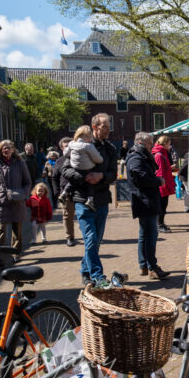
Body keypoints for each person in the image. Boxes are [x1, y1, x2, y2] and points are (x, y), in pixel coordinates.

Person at [61, 113, 118, 287]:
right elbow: (64, 170)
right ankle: (98, 276)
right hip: (82, 199)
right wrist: (84, 177)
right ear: (95, 127)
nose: (108, 130)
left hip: (102, 199)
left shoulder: (110, 149)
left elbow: (113, 174)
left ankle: (85, 272)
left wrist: (101, 176)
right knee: (91, 239)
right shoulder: (80, 145)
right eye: (105, 127)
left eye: (109, 126)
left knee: (95, 241)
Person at [126, 132, 170, 280]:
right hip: (144, 201)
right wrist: (158, 181)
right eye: (150, 143)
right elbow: (140, 177)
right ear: (142, 143)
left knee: (144, 234)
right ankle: (151, 266)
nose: (151, 146)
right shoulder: (136, 157)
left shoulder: (138, 156)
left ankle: (144, 265)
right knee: (151, 234)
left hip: (145, 200)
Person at [0, 139, 32, 268]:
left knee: (17, 230)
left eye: (8, 148)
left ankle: (16, 255)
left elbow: (27, 182)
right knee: (0, 231)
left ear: (13, 149)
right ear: (0, 150)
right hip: (1, 202)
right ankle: (0, 258)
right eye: (3, 148)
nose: (6, 150)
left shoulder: (20, 163)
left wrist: (24, 194)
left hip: (17, 201)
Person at [59, 125, 104, 211]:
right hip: (87, 169)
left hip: (76, 168)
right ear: (87, 136)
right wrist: (100, 160)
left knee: (72, 182)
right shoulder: (88, 146)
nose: (91, 139)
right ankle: (90, 200)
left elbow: (65, 153)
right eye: (90, 137)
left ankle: (64, 193)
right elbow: (97, 159)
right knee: (90, 183)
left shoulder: (71, 144)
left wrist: (72, 155)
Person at [52, 137, 78, 247]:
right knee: (67, 216)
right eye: (65, 146)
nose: (68, 148)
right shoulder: (59, 161)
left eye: (70, 145)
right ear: (62, 148)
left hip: (80, 191)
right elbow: (54, 177)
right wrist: (57, 192)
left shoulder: (79, 158)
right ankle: (70, 237)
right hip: (65, 193)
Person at [152, 135, 175, 233]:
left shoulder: (162, 153)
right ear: (165, 143)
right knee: (162, 205)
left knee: (163, 205)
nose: (170, 145)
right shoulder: (159, 155)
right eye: (169, 143)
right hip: (163, 184)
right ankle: (159, 224)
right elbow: (159, 171)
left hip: (165, 183)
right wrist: (162, 184)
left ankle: (161, 222)